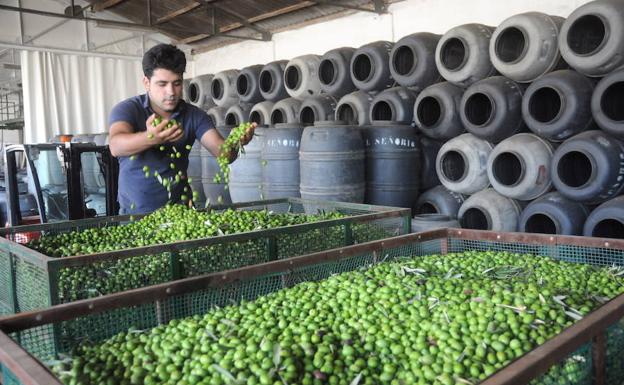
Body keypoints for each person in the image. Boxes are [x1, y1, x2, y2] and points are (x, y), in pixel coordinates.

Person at [108, 44, 254, 214]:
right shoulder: (128, 109)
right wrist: (152, 137)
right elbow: (115, 146)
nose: (171, 92)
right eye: (162, 84)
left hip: (180, 214)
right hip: (134, 215)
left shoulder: (194, 115)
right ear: (146, 83)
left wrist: (237, 143)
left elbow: (224, 154)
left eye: (176, 83)